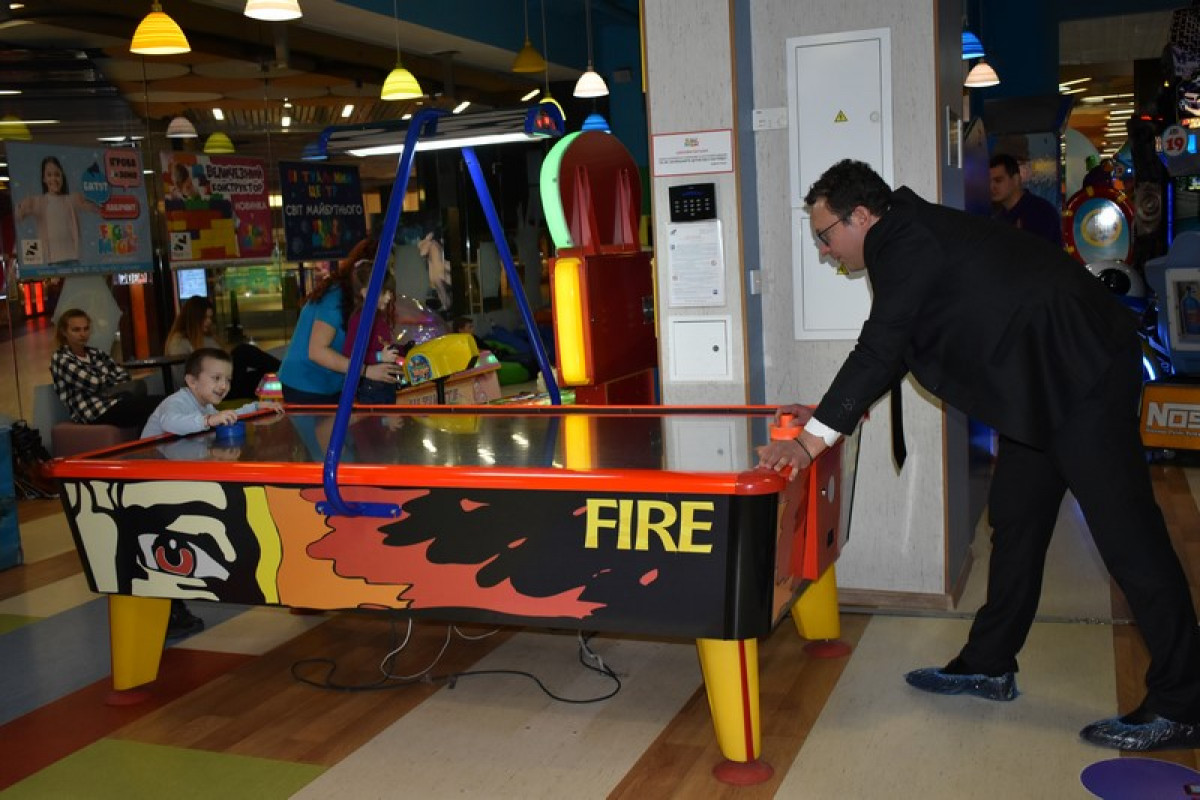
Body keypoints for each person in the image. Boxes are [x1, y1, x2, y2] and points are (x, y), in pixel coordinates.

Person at [756, 159, 1200, 752]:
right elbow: (896, 347)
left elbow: (880, 349)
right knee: (1015, 518)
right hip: (1044, 383)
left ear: (859, 215)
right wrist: (826, 419)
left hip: (1081, 373)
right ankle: (989, 663)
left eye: (825, 235)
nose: (823, 250)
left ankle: (1182, 703)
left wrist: (808, 441)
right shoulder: (907, 235)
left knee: (1129, 537)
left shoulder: (905, 239)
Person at [141, 347, 280, 638]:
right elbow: (172, 423)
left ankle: (175, 603)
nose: (223, 385)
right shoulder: (176, 403)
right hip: (148, 488)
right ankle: (169, 607)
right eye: (216, 378)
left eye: (227, 379)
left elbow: (227, 416)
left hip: (172, 485)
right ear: (192, 381)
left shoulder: (203, 406)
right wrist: (207, 422)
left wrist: (257, 408)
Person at [278, 242, 403, 403]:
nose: (391, 273)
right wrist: (366, 371)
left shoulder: (361, 302)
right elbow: (317, 351)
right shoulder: (336, 297)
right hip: (307, 384)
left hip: (333, 382)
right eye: (388, 267)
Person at [50, 308, 161, 429]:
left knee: (161, 404)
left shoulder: (96, 353)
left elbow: (124, 375)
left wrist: (103, 381)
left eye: (86, 329)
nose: (82, 334)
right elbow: (94, 384)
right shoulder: (61, 358)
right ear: (64, 332)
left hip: (115, 402)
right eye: (76, 330)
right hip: (92, 411)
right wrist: (109, 377)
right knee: (157, 405)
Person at [164, 295, 280, 399]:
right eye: (205, 318)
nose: (209, 322)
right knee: (242, 351)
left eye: (210, 318)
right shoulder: (180, 342)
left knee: (262, 377)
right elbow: (182, 377)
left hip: (225, 380)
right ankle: (284, 369)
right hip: (213, 388)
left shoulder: (207, 337)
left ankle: (284, 374)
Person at [16, 155, 99, 264]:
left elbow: (95, 209)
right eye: (49, 175)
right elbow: (19, 216)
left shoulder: (71, 200)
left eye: (57, 175)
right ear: (44, 179)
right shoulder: (39, 202)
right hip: (51, 263)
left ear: (62, 176)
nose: (53, 179)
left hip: (73, 259)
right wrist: (23, 206)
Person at [342, 259, 401, 404]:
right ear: (365, 293)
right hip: (371, 387)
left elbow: (382, 345)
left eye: (390, 292)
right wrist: (379, 356)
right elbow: (350, 354)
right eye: (384, 292)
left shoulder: (378, 317)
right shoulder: (360, 319)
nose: (389, 297)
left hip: (384, 384)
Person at [988, 153, 1063, 247]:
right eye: (988, 181)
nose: (992, 187)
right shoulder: (999, 218)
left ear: (1016, 179)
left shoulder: (1040, 212)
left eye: (998, 180)